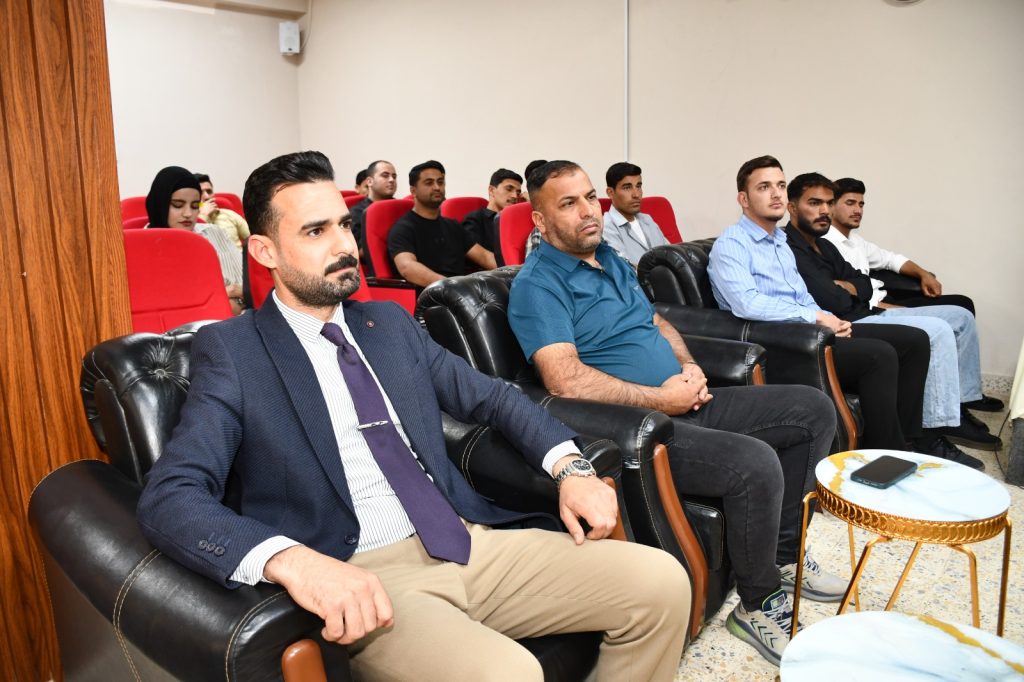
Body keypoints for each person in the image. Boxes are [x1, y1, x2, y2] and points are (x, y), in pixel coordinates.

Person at [136, 151, 690, 682]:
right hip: (365, 574)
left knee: (661, 581)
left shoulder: (389, 325)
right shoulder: (234, 351)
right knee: (510, 674)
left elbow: (493, 399)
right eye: (315, 231)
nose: (344, 245)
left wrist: (570, 467)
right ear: (264, 251)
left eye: (344, 225)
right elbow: (172, 495)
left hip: (465, 537)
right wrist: (293, 562)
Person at [508, 160, 843, 667]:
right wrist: (662, 400)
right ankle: (756, 603)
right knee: (754, 463)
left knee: (812, 409)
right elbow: (565, 381)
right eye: (568, 203)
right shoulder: (538, 285)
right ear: (540, 219)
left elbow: (657, 322)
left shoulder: (610, 258)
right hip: (643, 428)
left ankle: (784, 553)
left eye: (590, 197)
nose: (588, 211)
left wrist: (689, 368)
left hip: (682, 400)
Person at [708, 156, 938, 456]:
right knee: (878, 355)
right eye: (764, 187)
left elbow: (801, 295)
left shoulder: (780, 241)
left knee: (914, 341)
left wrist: (831, 320)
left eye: (780, 185)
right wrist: (815, 318)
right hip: (781, 344)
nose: (776, 194)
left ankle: (909, 444)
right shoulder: (732, 244)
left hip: (809, 331)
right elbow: (746, 303)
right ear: (744, 199)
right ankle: (884, 456)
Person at [784, 172, 998, 457]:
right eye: (815, 203)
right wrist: (851, 288)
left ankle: (944, 417)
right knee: (930, 334)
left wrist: (851, 286)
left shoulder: (823, 244)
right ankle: (927, 432)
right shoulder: (789, 246)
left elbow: (863, 281)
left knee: (956, 315)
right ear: (792, 207)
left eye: (828, 203)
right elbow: (832, 299)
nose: (824, 210)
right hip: (847, 320)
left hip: (861, 310)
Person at [824, 177, 1000, 414]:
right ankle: (949, 406)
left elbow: (891, 259)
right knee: (949, 322)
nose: (858, 210)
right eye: (850, 203)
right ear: (832, 206)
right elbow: (841, 294)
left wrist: (924, 274)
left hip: (881, 300)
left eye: (861, 204)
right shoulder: (825, 243)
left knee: (963, 306)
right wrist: (891, 308)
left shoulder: (856, 241)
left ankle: (966, 395)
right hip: (868, 310)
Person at [145, 166, 244, 314]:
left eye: (195, 205)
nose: (188, 214)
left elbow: (245, 287)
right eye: (178, 205)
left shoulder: (214, 232)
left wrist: (237, 299)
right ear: (160, 204)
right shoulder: (141, 246)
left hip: (240, 317)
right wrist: (222, 298)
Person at [388, 160, 496, 288]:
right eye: (429, 183)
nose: (437, 187)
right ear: (413, 191)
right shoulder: (402, 229)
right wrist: (453, 286)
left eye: (440, 182)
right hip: (430, 294)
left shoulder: (453, 226)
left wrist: (512, 272)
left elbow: (484, 257)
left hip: (460, 291)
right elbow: (407, 268)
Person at [602, 162, 669, 267]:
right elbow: (625, 270)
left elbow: (672, 254)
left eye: (638, 186)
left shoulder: (647, 219)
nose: (636, 194)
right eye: (627, 187)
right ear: (610, 192)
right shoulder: (606, 227)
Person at [462, 168, 523, 264]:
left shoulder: (517, 222)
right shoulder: (475, 219)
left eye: (518, 192)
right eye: (509, 189)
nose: (515, 196)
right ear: (491, 190)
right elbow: (478, 257)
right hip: (491, 272)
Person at [350, 160, 398, 273]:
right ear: (369, 181)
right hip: (382, 272)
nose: (391, 180)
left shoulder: (401, 208)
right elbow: (358, 252)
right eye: (385, 175)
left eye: (394, 176)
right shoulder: (356, 212)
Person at [194, 173, 251, 248]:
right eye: (200, 193)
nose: (207, 197)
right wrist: (203, 216)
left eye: (209, 191)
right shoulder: (190, 221)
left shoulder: (229, 214)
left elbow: (253, 237)